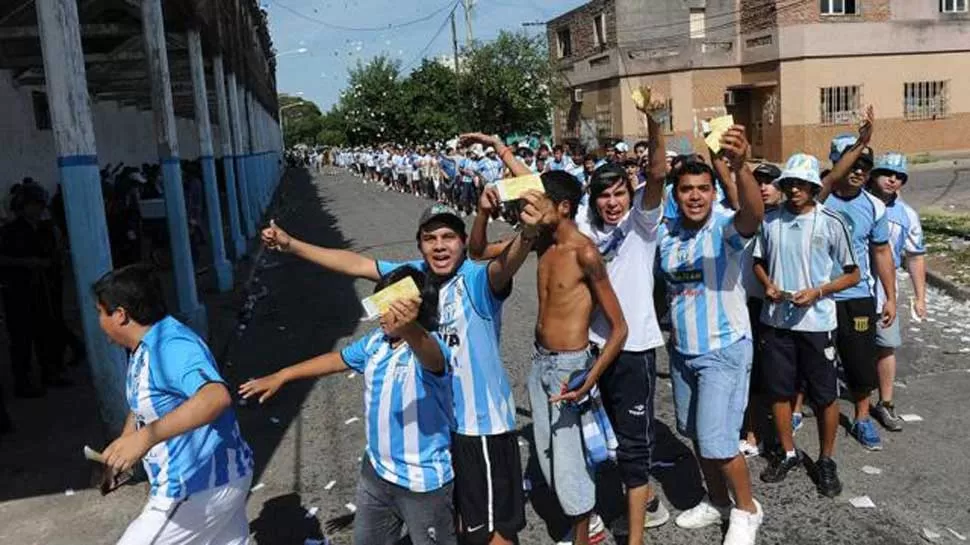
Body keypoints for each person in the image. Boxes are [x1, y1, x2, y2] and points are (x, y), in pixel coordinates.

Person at [261, 139, 543, 545]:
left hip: (480, 425)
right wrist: (291, 245)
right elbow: (355, 263)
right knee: (464, 525)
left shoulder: (477, 280)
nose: (440, 245)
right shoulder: (412, 276)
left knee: (496, 533)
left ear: (464, 244)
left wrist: (529, 231)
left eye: (449, 237)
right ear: (419, 245)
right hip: (441, 430)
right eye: (431, 239)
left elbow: (510, 260)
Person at [240, 266, 457, 545]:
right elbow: (337, 360)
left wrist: (410, 328)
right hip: (376, 474)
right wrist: (283, 375)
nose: (379, 314)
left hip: (422, 485)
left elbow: (432, 358)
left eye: (388, 306)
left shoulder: (429, 346)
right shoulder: (376, 344)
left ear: (412, 308)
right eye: (377, 304)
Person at [95, 264, 253, 545]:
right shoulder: (143, 347)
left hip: (197, 487)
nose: (98, 321)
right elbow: (145, 402)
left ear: (120, 315)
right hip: (221, 479)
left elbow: (215, 397)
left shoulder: (171, 346)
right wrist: (125, 443)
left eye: (100, 312)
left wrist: (145, 438)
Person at [659, 125, 765, 545]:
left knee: (721, 442)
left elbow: (753, 215)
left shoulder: (723, 226)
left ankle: (746, 510)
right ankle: (717, 500)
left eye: (703, 187)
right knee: (698, 435)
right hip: (683, 352)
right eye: (687, 189)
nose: (696, 196)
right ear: (676, 193)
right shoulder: (668, 235)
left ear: (713, 190)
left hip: (724, 350)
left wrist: (741, 168)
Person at [526, 170, 627, 545]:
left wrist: (591, 376)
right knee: (549, 458)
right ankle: (592, 523)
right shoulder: (541, 243)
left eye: (538, 203)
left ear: (563, 207)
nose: (529, 209)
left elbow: (619, 327)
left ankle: (585, 536)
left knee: (569, 465)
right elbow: (478, 252)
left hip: (570, 367)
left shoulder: (584, 252)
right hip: (540, 363)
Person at [752, 154, 861, 498]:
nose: (795, 189)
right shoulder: (770, 222)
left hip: (817, 322)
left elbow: (852, 273)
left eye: (802, 184)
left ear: (815, 187)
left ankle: (826, 459)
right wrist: (768, 284)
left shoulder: (831, 221)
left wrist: (819, 291)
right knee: (779, 390)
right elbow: (757, 261)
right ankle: (787, 452)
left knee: (824, 395)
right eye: (789, 184)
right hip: (777, 320)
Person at [818, 106, 897, 451]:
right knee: (812, 360)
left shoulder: (875, 207)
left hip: (857, 297)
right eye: (851, 163)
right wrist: (861, 141)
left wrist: (890, 297)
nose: (858, 171)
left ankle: (862, 418)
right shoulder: (817, 199)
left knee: (860, 361)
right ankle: (794, 411)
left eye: (864, 166)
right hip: (818, 295)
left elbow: (881, 253)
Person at [866, 152, 927, 432]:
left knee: (885, 346)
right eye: (886, 173)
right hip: (849, 291)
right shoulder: (858, 203)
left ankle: (885, 403)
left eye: (899, 176)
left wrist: (920, 296)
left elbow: (915, 256)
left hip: (883, 295)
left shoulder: (907, 215)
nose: (892, 180)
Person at [0, 184, 70, 396]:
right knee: (21, 338)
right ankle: (23, 382)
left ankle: (49, 373)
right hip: (17, 290)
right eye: (33, 205)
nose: (38, 209)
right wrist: (26, 262)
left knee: (45, 333)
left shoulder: (45, 229)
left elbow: (55, 254)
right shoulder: (9, 231)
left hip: (43, 288)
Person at [739, 162, 784, 459]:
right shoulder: (744, 219)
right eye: (759, 183)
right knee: (754, 375)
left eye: (770, 182)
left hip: (786, 307)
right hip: (751, 305)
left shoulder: (789, 219)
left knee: (782, 377)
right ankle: (753, 433)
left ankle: (783, 435)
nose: (764, 188)